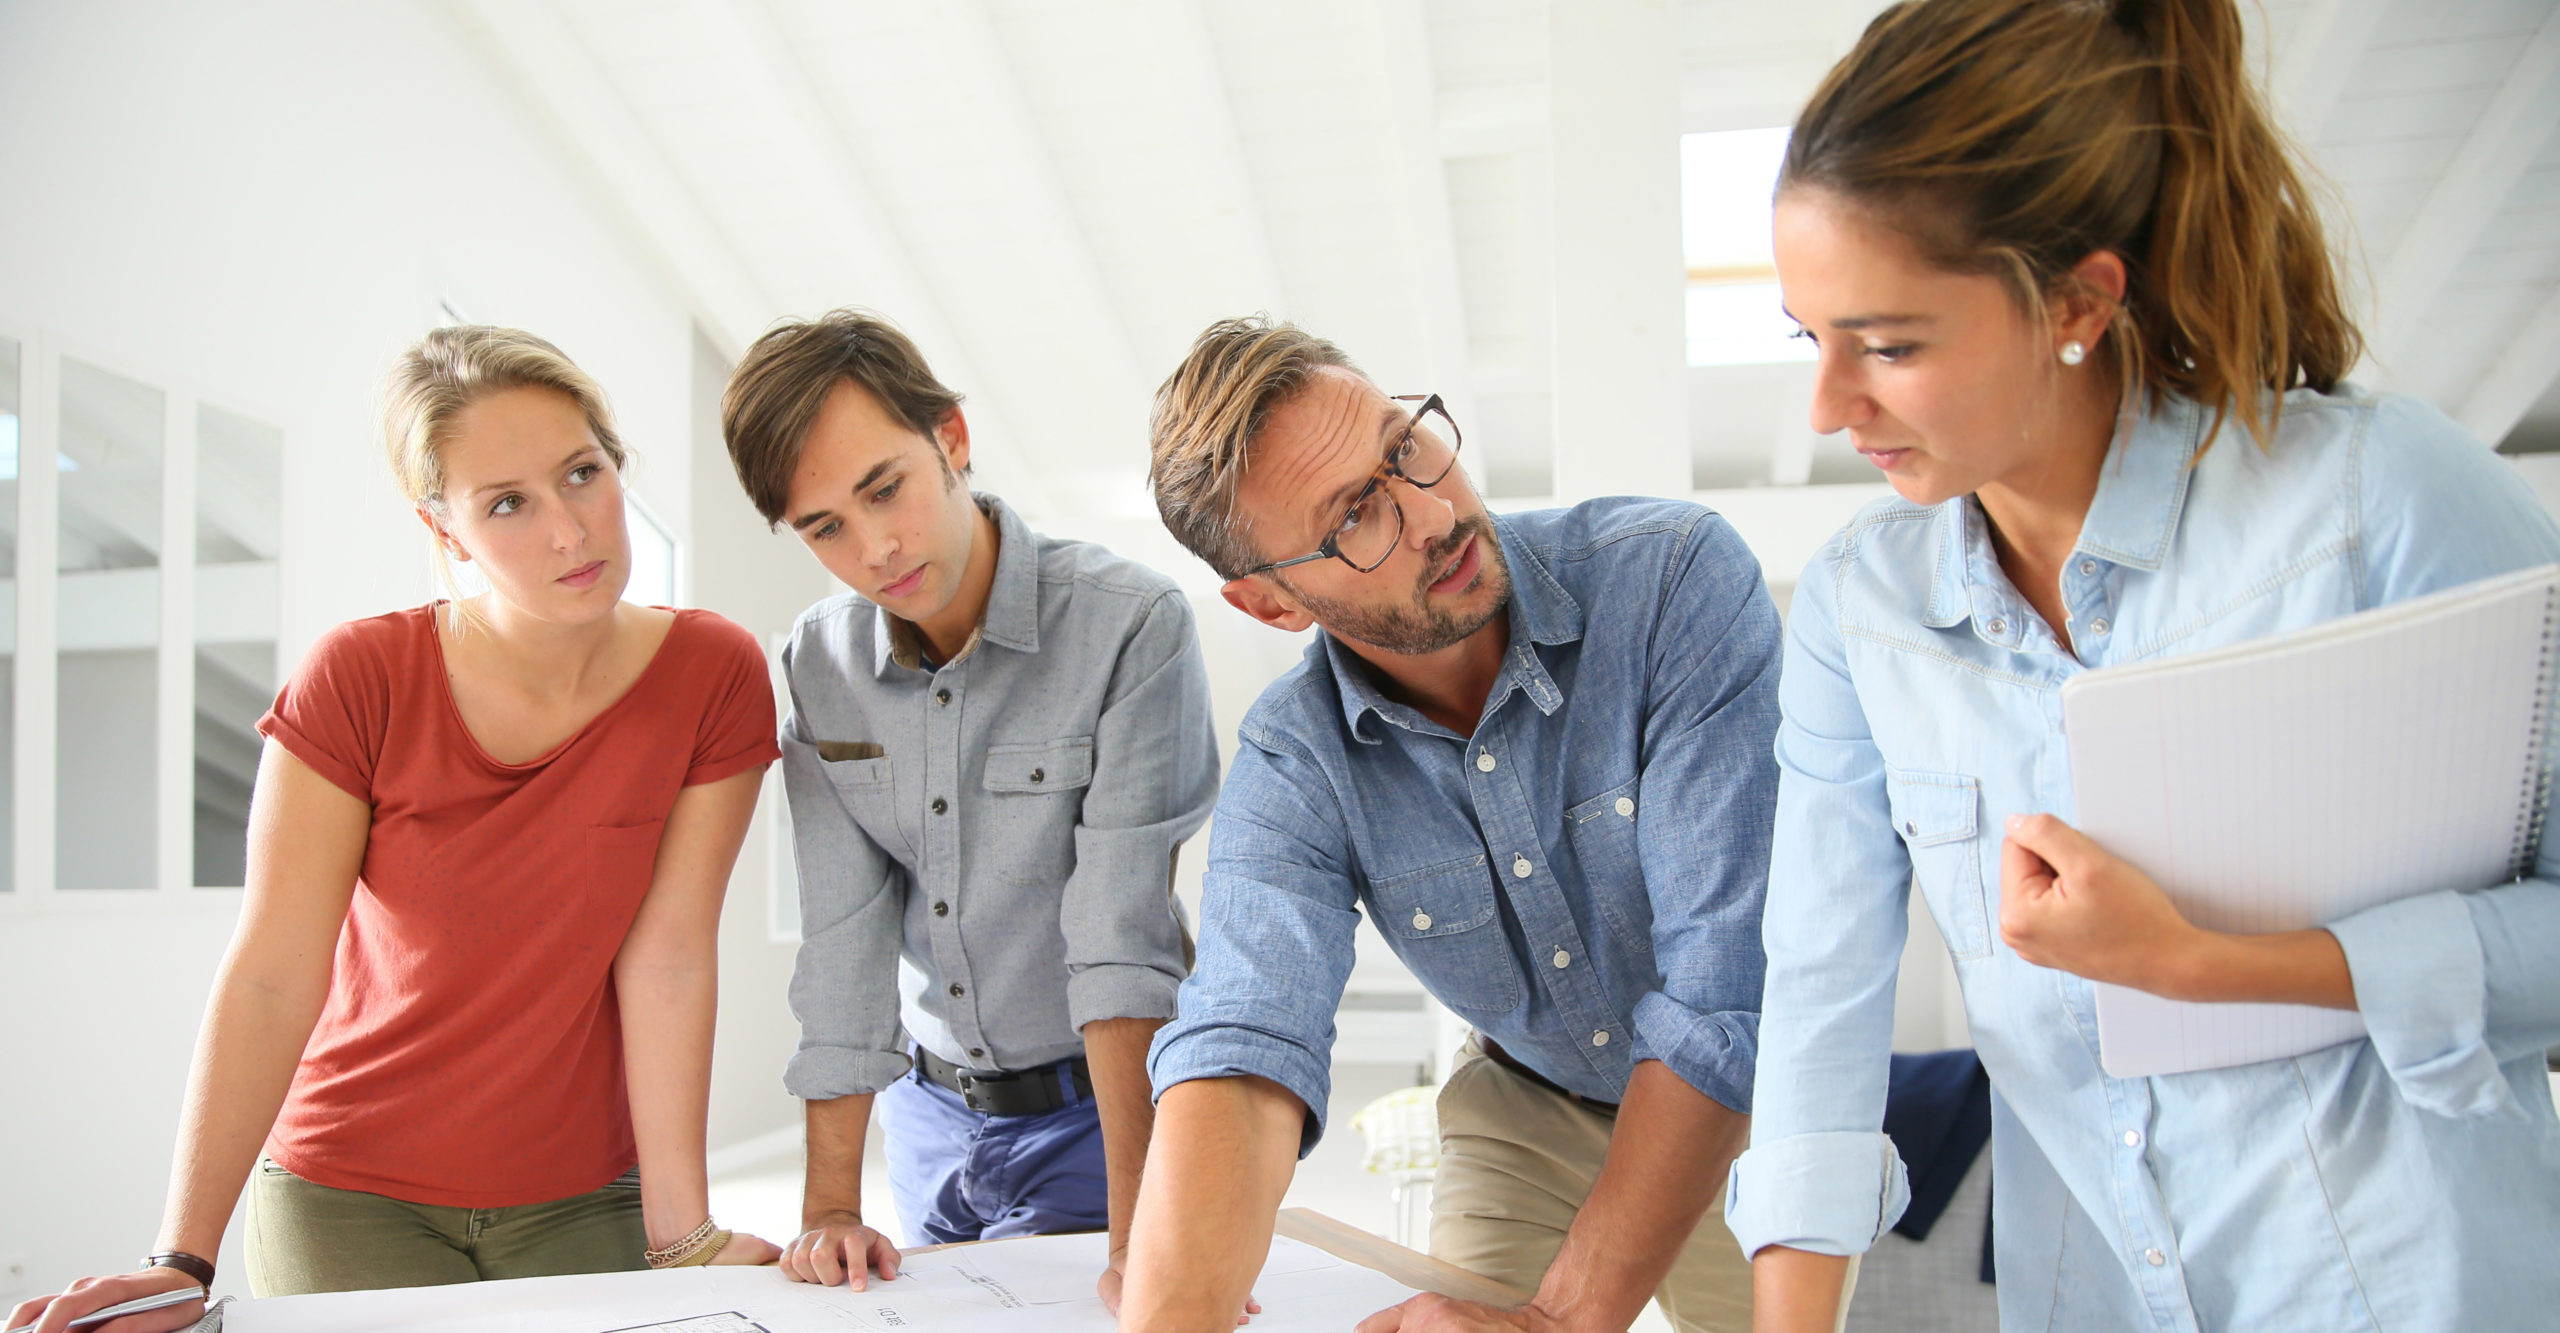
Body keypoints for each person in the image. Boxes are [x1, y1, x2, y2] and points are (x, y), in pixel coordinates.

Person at [1729, 1, 2560, 1329]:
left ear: (2079, 301)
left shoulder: (2378, 500)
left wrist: (2205, 963)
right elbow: (1818, 1005)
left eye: (1890, 345)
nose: (1829, 408)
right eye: (1808, 338)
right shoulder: (1857, 612)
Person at [8, 325, 784, 1333]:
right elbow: (274, 970)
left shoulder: (712, 672)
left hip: (588, 1195)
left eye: (581, 474)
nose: (569, 530)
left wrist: (684, 1234)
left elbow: (669, 956)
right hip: (346, 1194)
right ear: (447, 531)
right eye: (507, 503)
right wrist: (179, 1257)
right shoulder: (362, 678)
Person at [1116, 317, 1783, 1333]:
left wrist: (1562, 1316)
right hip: (1527, 1102)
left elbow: (1721, 991)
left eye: (1404, 446)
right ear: (1269, 603)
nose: (1432, 515)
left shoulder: (1672, 577)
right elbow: (1243, 1040)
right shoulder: (1294, 756)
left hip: (1747, 1106)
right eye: (1354, 517)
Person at [718, 310, 1220, 1307]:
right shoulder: (818, 663)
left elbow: (1120, 937)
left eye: (884, 488)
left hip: (1097, 1113)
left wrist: (1140, 1235)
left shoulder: (1131, 624)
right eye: (825, 527)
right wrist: (827, 1208)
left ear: (950, 437)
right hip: (927, 1116)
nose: (874, 548)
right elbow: (844, 936)